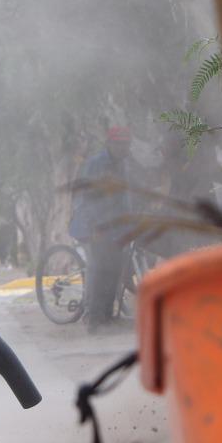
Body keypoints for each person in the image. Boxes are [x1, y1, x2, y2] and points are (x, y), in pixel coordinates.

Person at [69, 126, 136, 332]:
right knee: (100, 271)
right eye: (120, 144)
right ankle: (95, 321)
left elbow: (124, 197)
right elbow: (85, 198)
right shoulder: (95, 164)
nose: (124, 148)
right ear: (110, 144)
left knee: (115, 270)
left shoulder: (122, 164)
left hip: (114, 226)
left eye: (126, 144)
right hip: (93, 226)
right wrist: (95, 225)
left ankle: (106, 317)